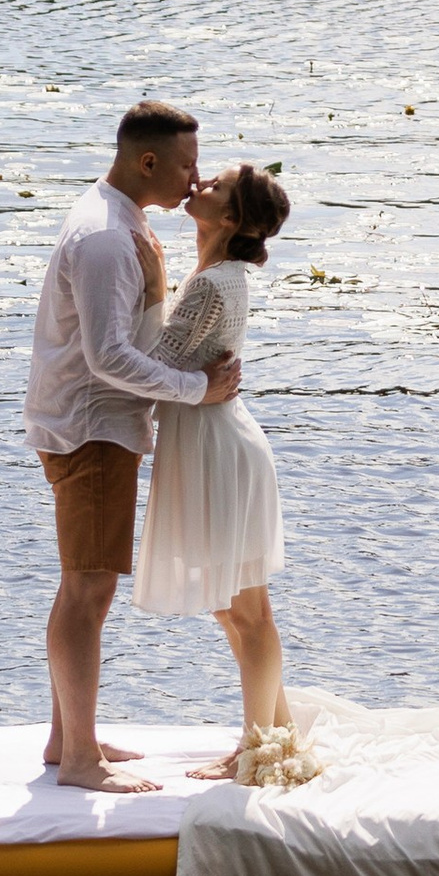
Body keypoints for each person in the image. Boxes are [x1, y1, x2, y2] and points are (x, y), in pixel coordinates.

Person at [25, 103, 242, 792]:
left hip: (92, 423)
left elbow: (124, 339)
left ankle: (69, 740)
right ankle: (79, 761)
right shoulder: (106, 239)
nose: (195, 178)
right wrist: (196, 390)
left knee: (83, 586)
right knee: (88, 590)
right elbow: (109, 357)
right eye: (186, 165)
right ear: (148, 162)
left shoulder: (121, 222)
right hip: (91, 428)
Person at [133, 163, 294, 777]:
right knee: (234, 609)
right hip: (211, 445)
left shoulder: (212, 285)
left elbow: (152, 369)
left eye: (216, 186)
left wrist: (150, 286)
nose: (199, 184)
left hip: (219, 451)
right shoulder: (214, 276)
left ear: (230, 218)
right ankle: (280, 737)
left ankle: (255, 750)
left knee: (246, 612)